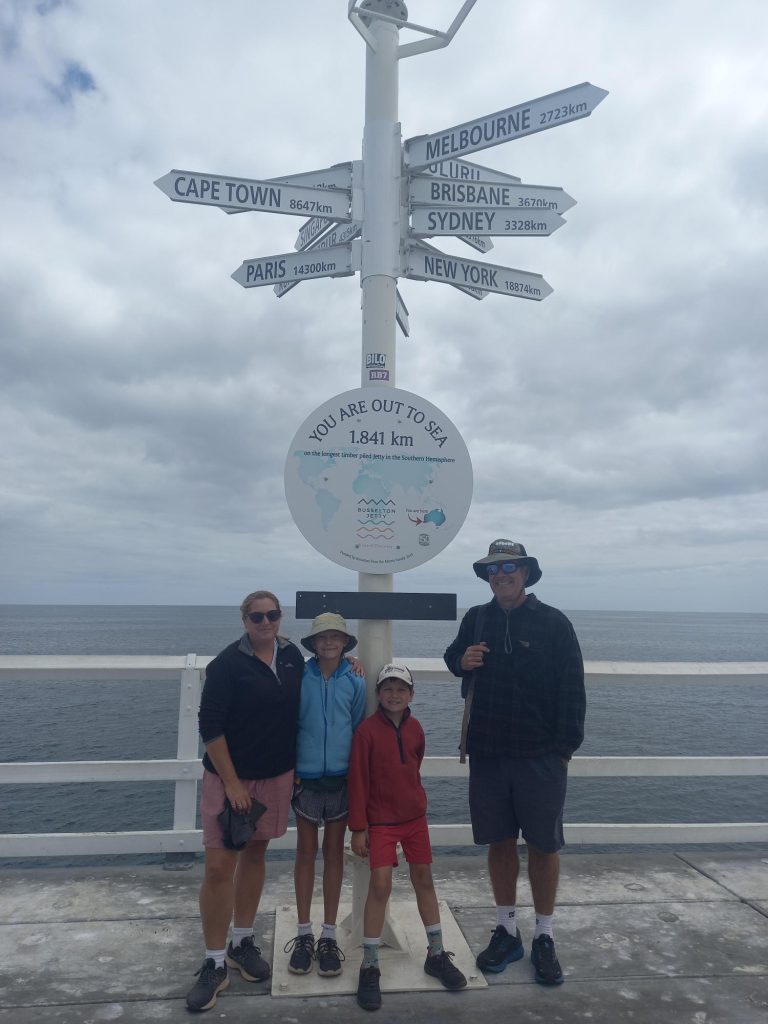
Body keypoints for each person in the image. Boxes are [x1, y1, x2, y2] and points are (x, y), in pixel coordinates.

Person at [444, 539, 585, 987]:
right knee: (499, 843)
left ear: (525, 572)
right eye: (492, 569)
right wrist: (461, 661)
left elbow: (573, 692)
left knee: (544, 846)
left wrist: (564, 750)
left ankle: (544, 935)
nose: (500, 574)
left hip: (541, 758)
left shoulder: (553, 623)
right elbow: (453, 658)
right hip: (487, 754)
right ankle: (507, 930)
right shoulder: (477, 617)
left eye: (509, 566)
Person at [186, 590, 304, 1013]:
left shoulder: (292, 658)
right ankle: (214, 962)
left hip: (275, 775)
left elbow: (310, 690)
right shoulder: (226, 665)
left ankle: (242, 941)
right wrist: (233, 784)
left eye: (272, 615)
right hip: (229, 779)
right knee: (219, 865)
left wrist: (348, 664)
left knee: (255, 853)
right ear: (244, 620)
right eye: (257, 617)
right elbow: (210, 726)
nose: (265, 622)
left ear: (280, 616)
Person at [348, 663, 467, 1012]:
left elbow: (414, 764)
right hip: (381, 822)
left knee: (424, 879)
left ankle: (436, 953)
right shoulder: (366, 733)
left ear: (411, 694)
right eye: (388, 688)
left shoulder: (416, 728)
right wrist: (359, 827)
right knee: (380, 885)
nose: (394, 695)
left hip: (415, 818)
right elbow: (357, 782)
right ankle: (370, 963)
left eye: (401, 689)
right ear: (378, 694)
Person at [283, 612, 367, 978]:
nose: (329, 643)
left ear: (345, 643)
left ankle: (328, 934)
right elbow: (288, 723)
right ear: (313, 643)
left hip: (341, 780)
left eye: (335, 637)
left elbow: (360, 727)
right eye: (322, 638)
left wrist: (356, 778)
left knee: (335, 855)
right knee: (305, 853)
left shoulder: (356, 680)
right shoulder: (299, 676)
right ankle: (304, 933)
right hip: (305, 779)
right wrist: (290, 773)